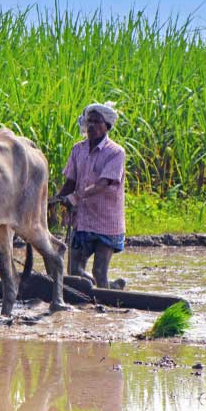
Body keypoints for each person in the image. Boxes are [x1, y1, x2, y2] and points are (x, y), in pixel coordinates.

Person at [54, 103, 127, 290]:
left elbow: (103, 184)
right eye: (89, 122)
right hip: (82, 220)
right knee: (74, 271)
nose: (92, 126)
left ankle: (105, 307)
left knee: (99, 271)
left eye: (97, 122)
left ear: (107, 126)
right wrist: (53, 201)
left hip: (107, 223)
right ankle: (101, 290)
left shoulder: (116, 153)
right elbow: (70, 182)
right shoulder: (78, 150)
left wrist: (76, 198)